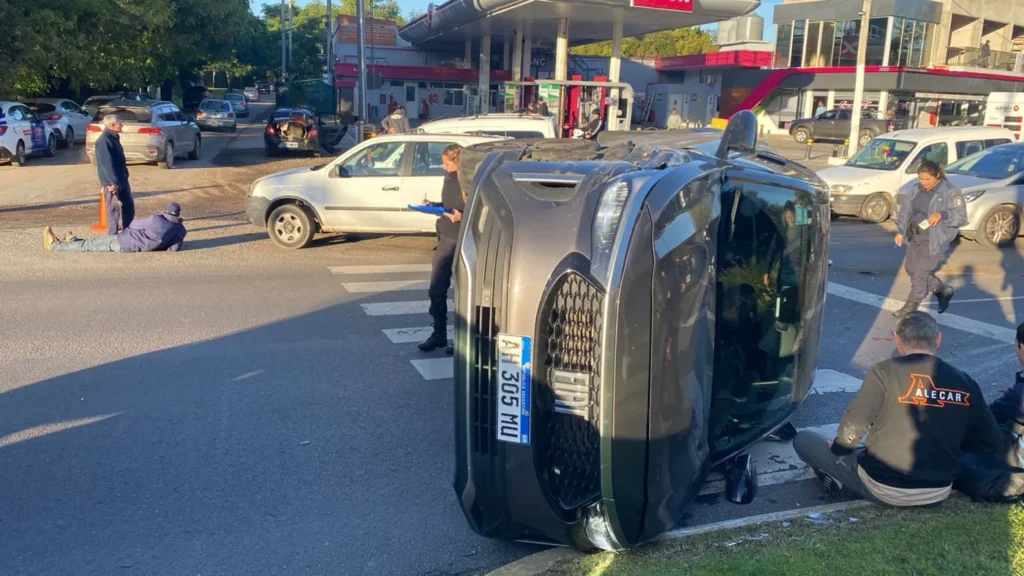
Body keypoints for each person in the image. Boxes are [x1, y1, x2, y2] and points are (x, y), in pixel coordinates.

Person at [794, 311, 1004, 507]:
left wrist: (839, 449)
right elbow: (991, 440)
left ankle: (841, 480)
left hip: (885, 487)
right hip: (939, 490)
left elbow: (854, 425)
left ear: (896, 338)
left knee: (803, 440)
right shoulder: (964, 381)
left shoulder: (883, 372)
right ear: (937, 339)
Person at [892, 160, 966, 317]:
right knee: (911, 269)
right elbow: (906, 211)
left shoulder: (950, 192)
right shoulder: (915, 189)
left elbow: (961, 217)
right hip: (916, 234)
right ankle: (941, 290)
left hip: (936, 239)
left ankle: (911, 305)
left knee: (920, 273)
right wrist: (900, 231)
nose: (924, 182)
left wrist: (942, 214)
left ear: (937, 176)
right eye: (921, 178)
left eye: (928, 179)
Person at [418, 144, 464, 355]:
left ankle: (462, 340)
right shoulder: (448, 178)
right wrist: (433, 205)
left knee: (463, 296)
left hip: (463, 240)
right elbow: (448, 203)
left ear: (458, 162)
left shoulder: (468, 182)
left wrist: (461, 216)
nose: (444, 168)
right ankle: (439, 334)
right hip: (445, 238)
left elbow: (481, 210)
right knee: (436, 290)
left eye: (447, 164)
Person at [43, 202, 187, 253]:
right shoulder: (180, 230)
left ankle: (55, 245)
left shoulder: (156, 219)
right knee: (95, 243)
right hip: (135, 246)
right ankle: (73, 240)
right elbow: (173, 248)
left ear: (166, 210)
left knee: (91, 245)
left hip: (126, 240)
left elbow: (134, 224)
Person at [94, 114, 134, 234]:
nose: (122, 125)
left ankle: (128, 230)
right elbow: (106, 164)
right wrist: (112, 182)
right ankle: (112, 235)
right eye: (120, 123)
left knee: (128, 205)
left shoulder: (113, 137)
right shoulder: (104, 141)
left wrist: (125, 176)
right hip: (112, 182)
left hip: (121, 179)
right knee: (113, 209)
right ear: (112, 125)